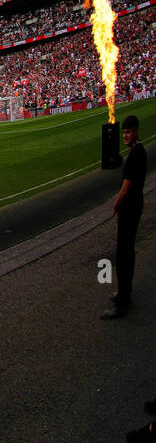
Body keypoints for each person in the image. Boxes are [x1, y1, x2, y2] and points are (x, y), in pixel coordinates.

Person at [103, 114, 146, 320]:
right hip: (135, 207)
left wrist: (116, 204)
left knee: (123, 255)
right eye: (124, 133)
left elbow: (126, 188)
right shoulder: (138, 151)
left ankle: (122, 302)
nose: (125, 136)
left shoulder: (137, 154)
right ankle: (123, 293)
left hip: (130, 208)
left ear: (136, 131)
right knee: (126, 252)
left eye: (128, 132)